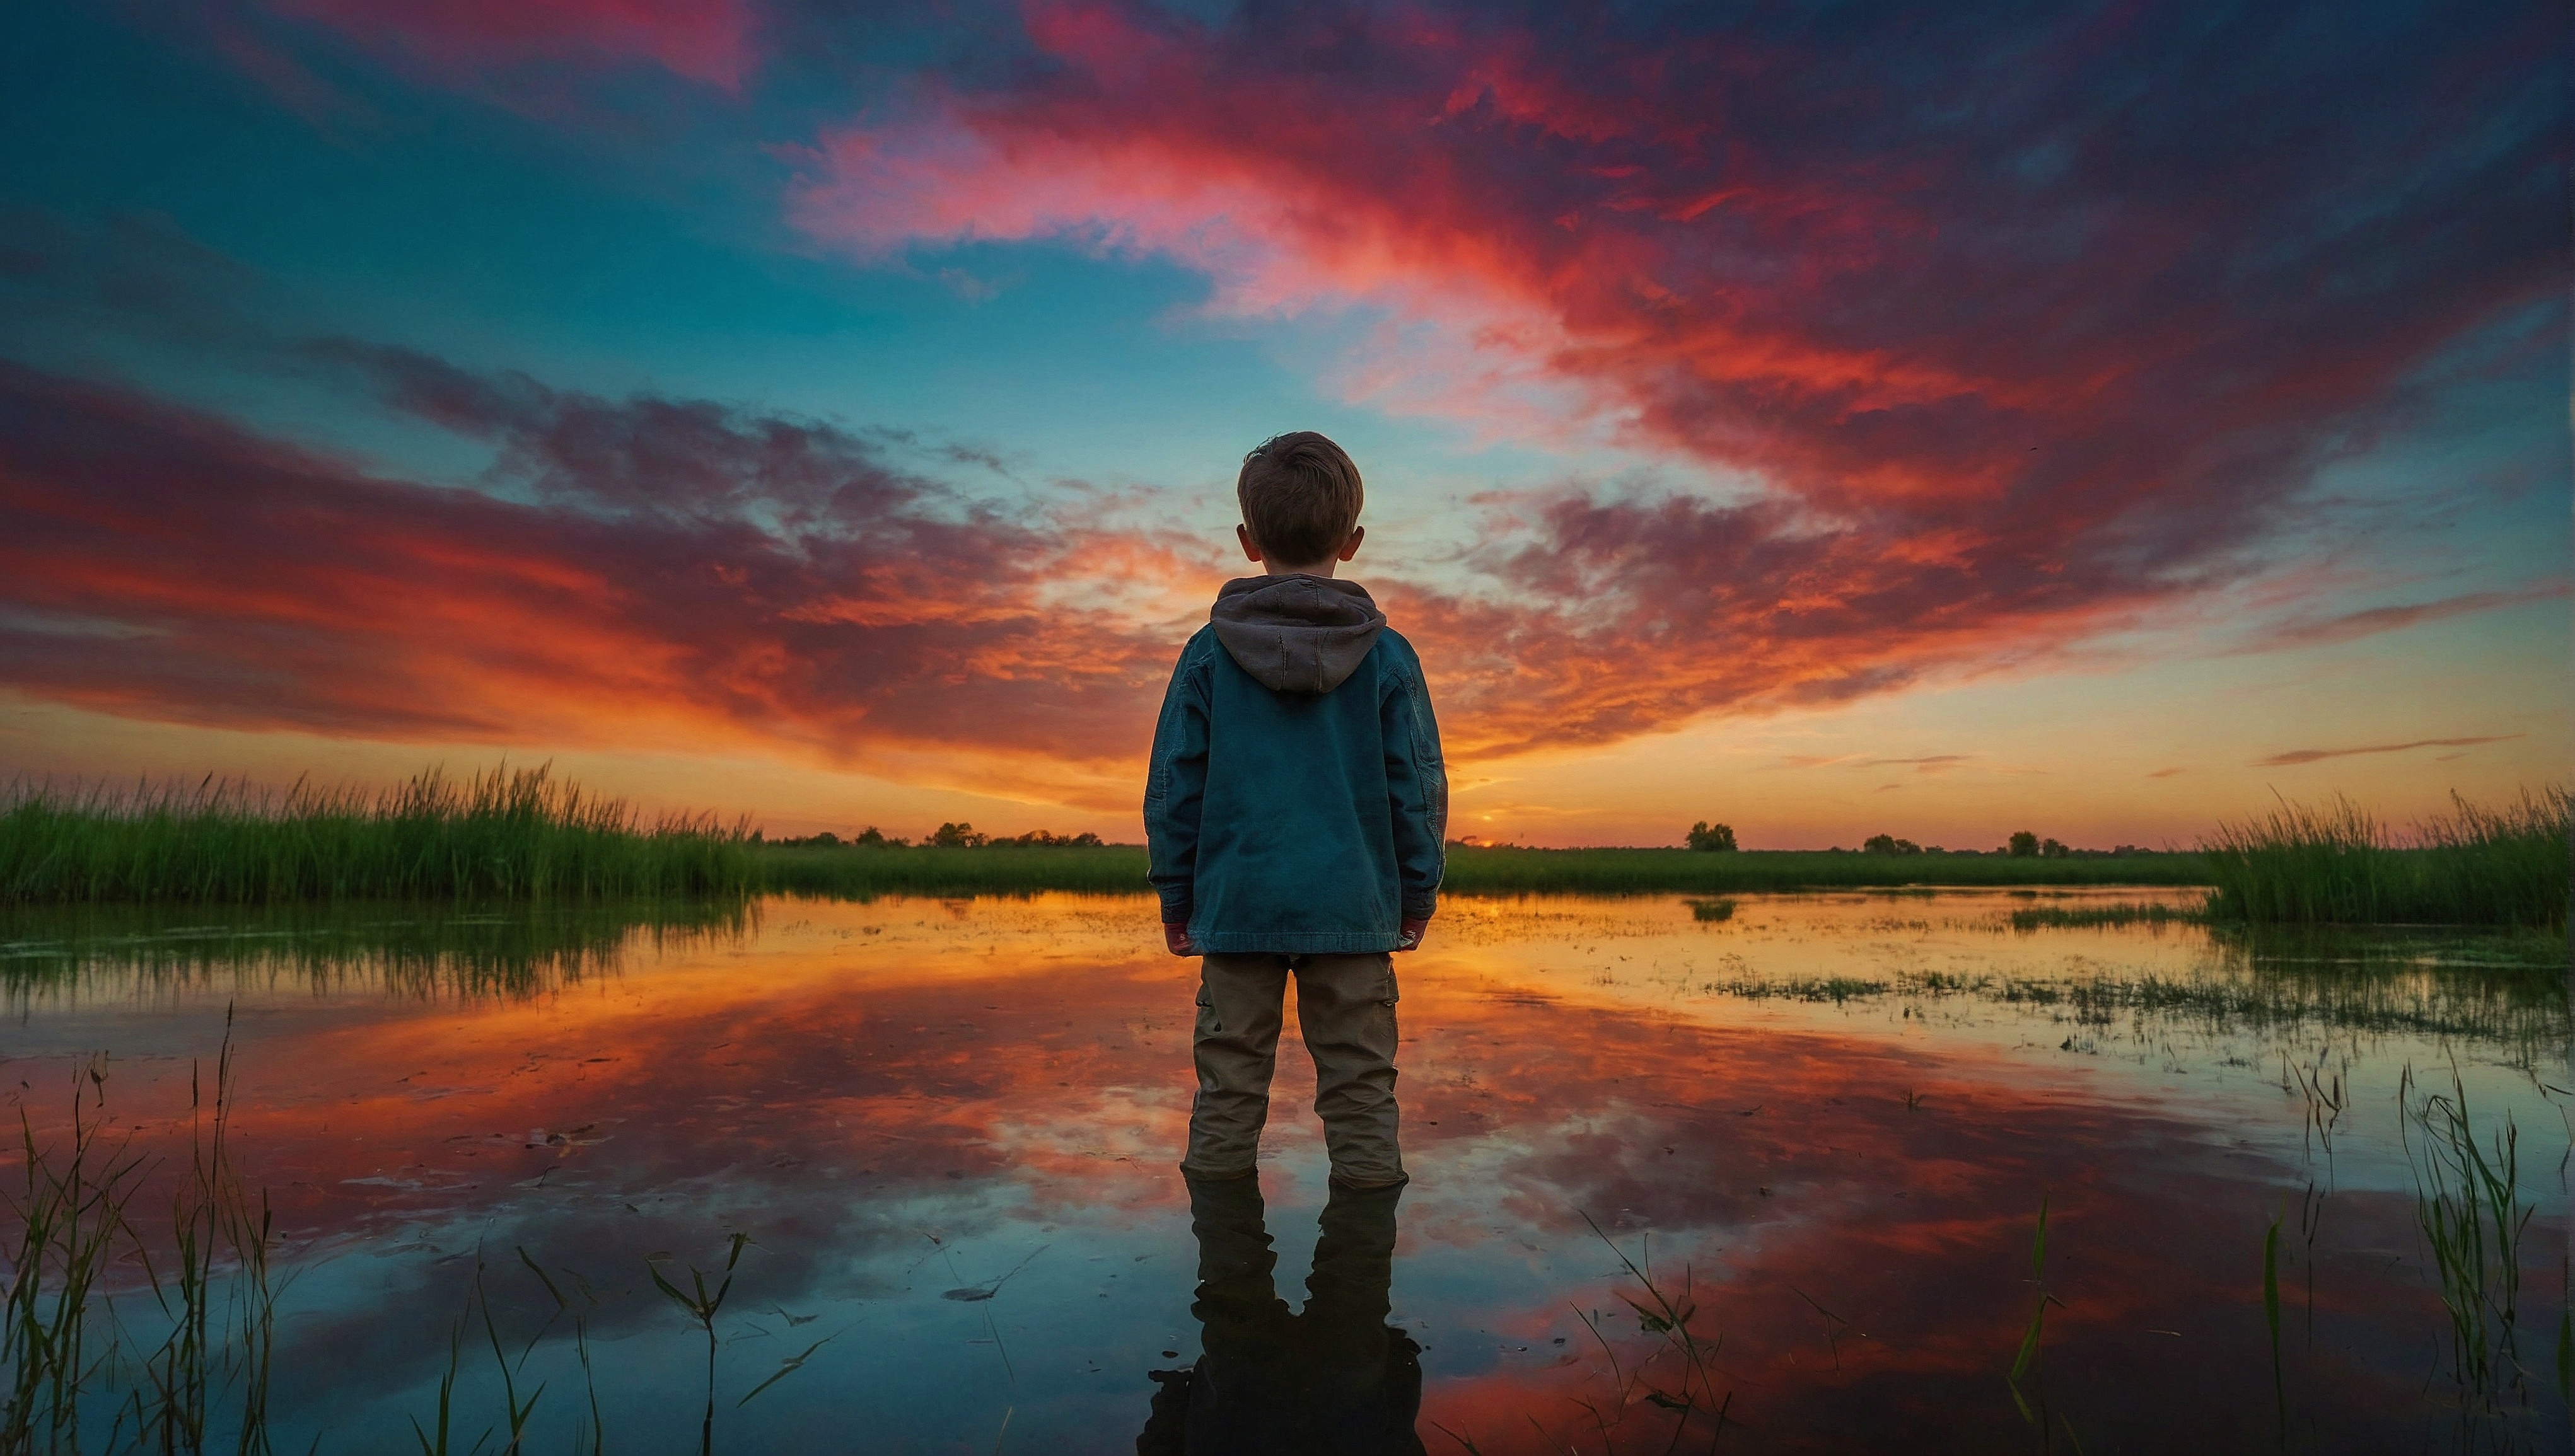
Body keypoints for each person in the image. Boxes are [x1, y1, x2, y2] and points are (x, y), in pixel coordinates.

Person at [1142, 430, 1446, 1191]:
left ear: (1248, 542)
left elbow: (1172, 789)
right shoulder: (1388, 658)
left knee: (1227, 1090)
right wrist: (1415, 897)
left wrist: (1178, 899)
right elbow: (1418, 787)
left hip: (1236, 904)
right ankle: (1362, 1273)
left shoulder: (1206, 655)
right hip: (1352, 907)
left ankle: (1223, 1271)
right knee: (1361, 1092)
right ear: (1352, 541)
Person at [1135, 1178, 1426, 1455]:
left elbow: (1399, 1429)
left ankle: (1219, 1177)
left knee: (1353, 1265)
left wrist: (1395, 1358)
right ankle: (1367, 1186)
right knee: (1234, 1260)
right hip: (1270, 1389)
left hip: (1254, 1390)